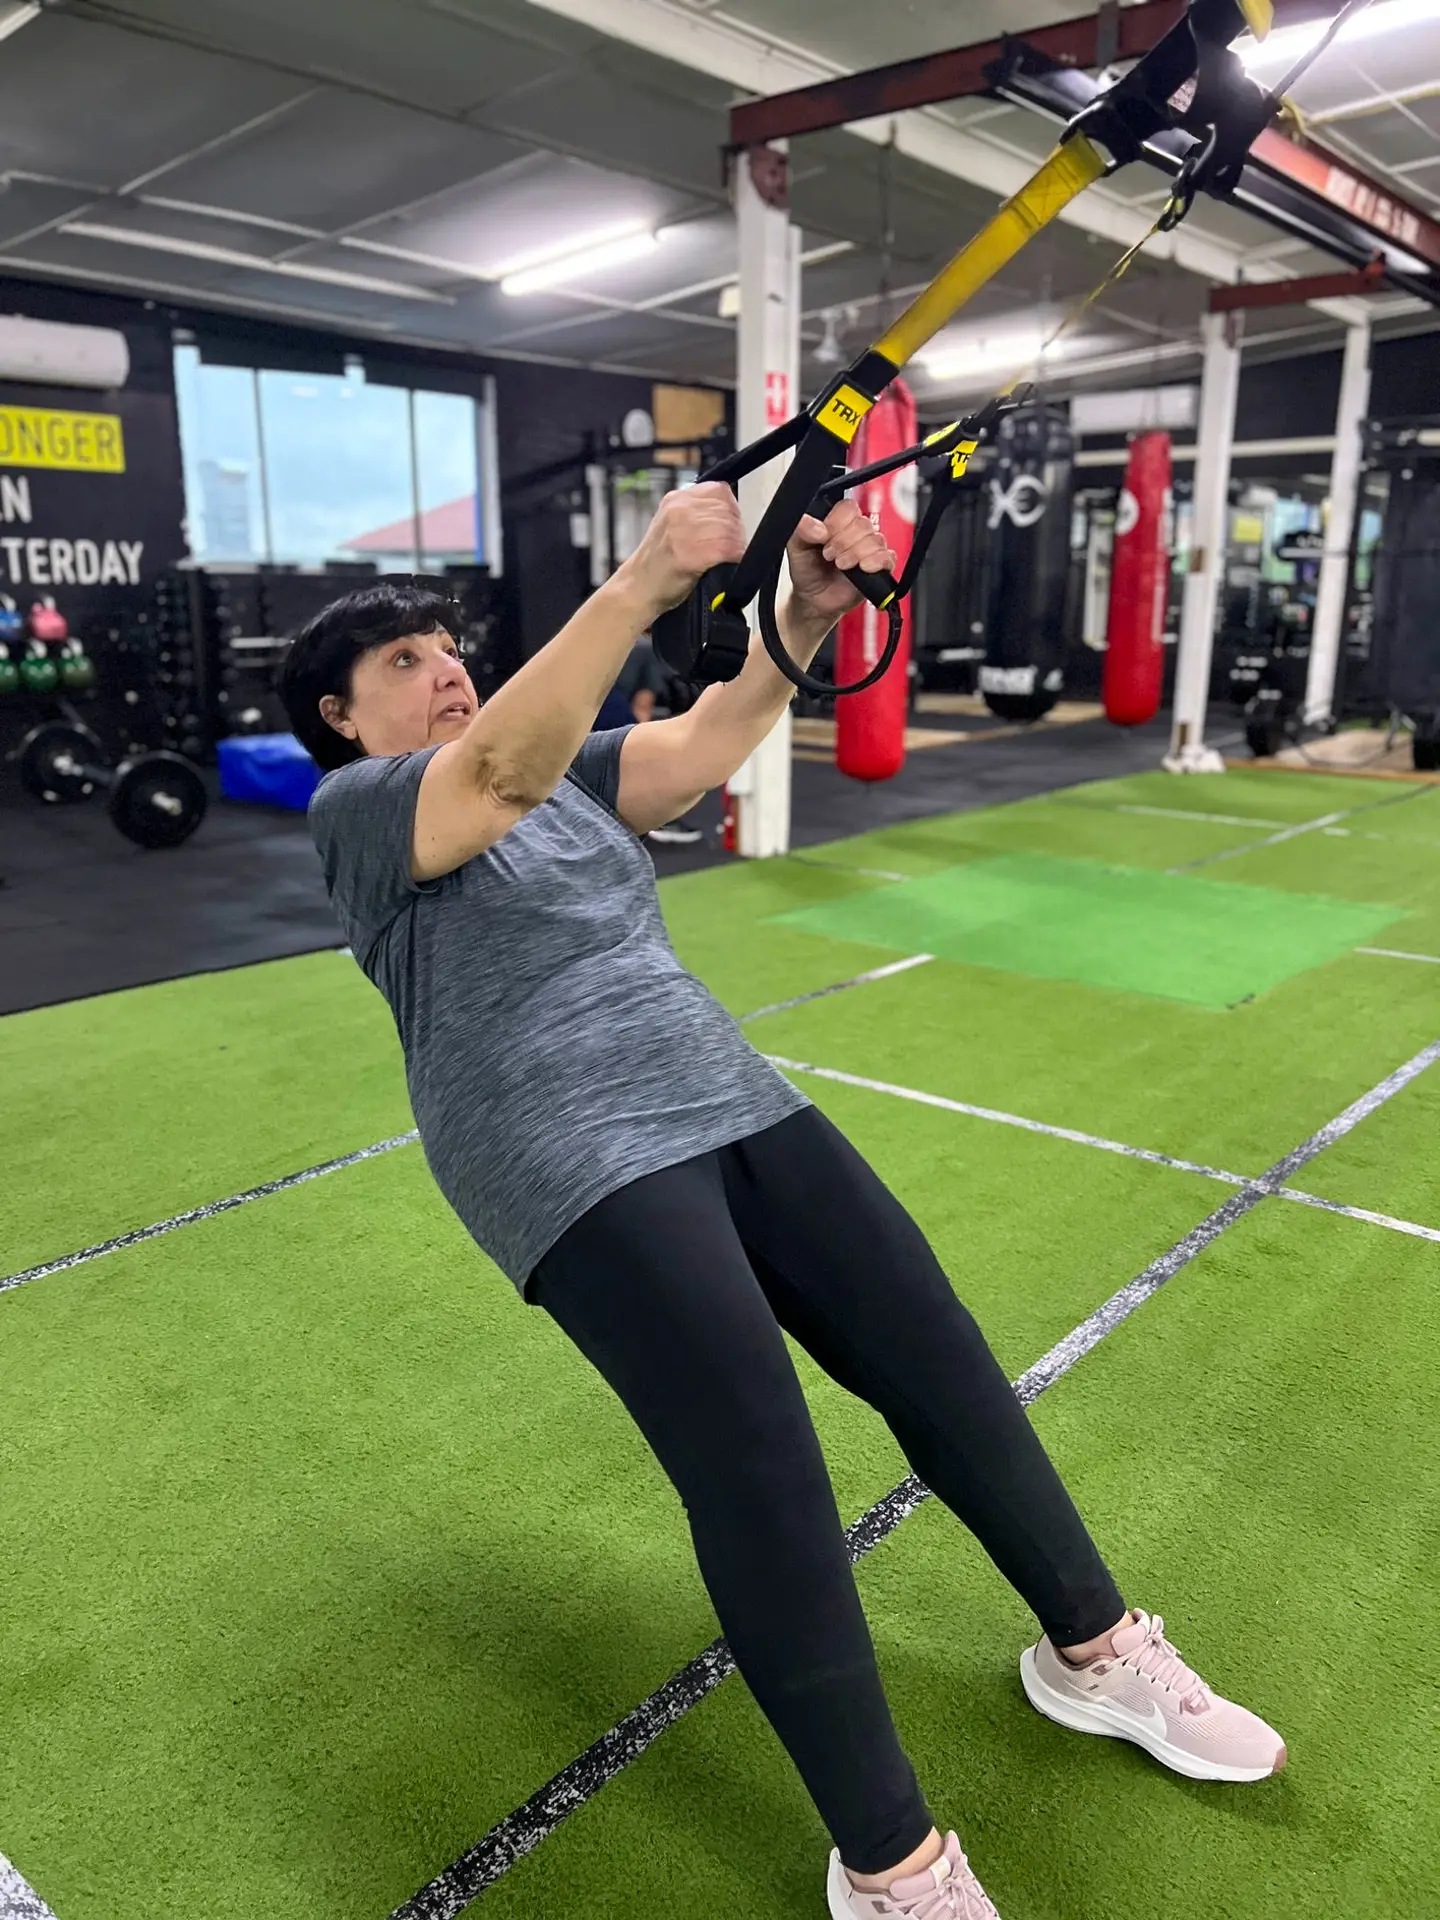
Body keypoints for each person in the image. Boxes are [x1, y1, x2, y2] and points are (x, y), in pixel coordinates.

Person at [279, 487, 1285, 1920]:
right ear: (340, 716)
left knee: (937, 1357)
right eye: (404, 662)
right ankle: (891, 1865)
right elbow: (491, 774)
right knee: (760, 1455)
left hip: (725, 1090)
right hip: (562, 1151)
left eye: (449, 646)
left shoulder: (560, 770)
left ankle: (1097, 1651)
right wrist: (638, 580)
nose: (444, 668)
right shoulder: (364, 810)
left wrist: (799, 617)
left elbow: (704, 742)